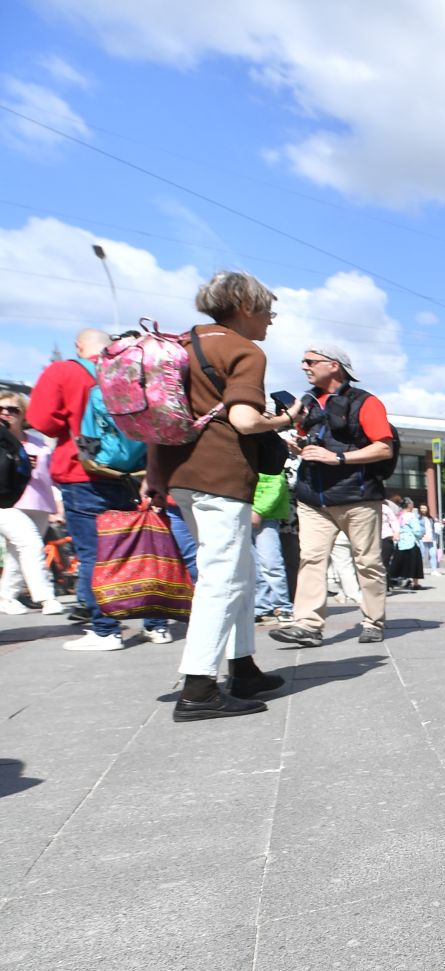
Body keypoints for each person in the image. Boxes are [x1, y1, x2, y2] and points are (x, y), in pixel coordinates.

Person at [145, 270, 303, 720]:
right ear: (246, 307)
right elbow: (245, 421)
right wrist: (286, 419)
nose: (271, 321)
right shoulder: (242, 349)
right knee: (224, 577)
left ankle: (243, 666)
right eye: (268, 310)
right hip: (221, 474)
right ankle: (198, 688)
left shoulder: (180, 343)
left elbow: (161, 414)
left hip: (181, 473)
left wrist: (155, 476)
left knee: (240, 570)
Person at [27, 328, 174, 649]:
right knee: (135, 550)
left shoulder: (65, 370)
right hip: (128, 472)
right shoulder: (130, 369)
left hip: (82, 472)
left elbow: (41, 421)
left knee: (94, 553)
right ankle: (157, 625)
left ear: (79, 346)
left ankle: (106, 630)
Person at [269, 345, 397, 646]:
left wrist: (337, 459)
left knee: (367, 561)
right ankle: (308, 626)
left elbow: (383, 447)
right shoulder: (307, 402)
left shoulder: (366, 402)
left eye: (311, 361)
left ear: (334, 366)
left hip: (359, 496)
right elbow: (310, 439)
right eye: (303, 360)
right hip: (313, 497)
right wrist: (301, 448)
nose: (303, 366)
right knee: (311, 559)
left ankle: (373, 620)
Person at [0, 390, 63, 616]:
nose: (6, 413)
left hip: (40, 501)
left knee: (19, 553)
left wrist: (58, 503)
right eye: (1, 409)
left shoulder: (36, 442)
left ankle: (6, 596)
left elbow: (51, 475)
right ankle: (46, 597)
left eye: (13, 410)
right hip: (9, 504)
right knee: (31, 544)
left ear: (22, 414)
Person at [252, 461, 294, 622]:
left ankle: (282, 606)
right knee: (254, 566)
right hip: (244, 512)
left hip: (267, 516)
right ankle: (261, 606)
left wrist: (259, 511)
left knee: (271, 563)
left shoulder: (268, 453)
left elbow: (275, 484)